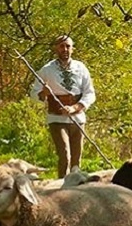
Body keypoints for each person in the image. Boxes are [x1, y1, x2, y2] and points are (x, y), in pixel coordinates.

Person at [29, 35, 96, 179]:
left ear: (72, 49)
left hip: (78, 118)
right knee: (65, 155)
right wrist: (43, 93)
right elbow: (34, 95)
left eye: (68, 46)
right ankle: (60, 188)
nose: (65, 49)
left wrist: (75, 107)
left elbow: (90, 93)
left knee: (76, 160)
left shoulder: (81, 68)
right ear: (56, 48)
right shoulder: (47, 70)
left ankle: (75, 189)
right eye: (61, 46)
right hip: (56, 118)